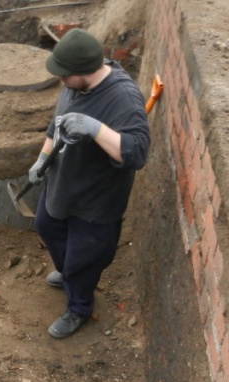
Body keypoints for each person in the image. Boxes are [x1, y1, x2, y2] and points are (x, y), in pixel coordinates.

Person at [28, 29, 151, 339]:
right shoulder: (74, 85)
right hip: (63, 183)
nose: (60, 82)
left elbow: (137, 152)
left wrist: (95, 129)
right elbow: (53, 126)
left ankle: (79, 306)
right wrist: (42, 160)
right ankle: (70, 273)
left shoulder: (123, 98)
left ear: (83, 72)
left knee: (84, 260)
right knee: (46, 225)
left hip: (96, 200)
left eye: (63, 76)